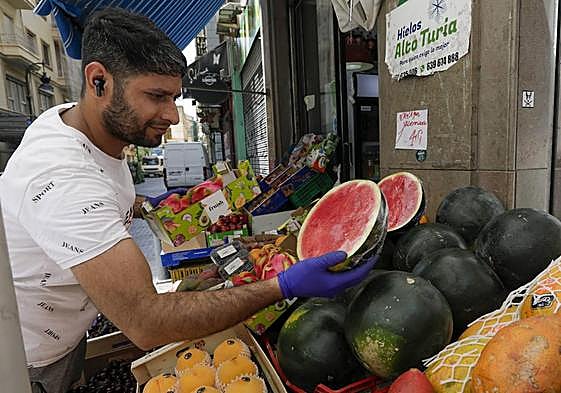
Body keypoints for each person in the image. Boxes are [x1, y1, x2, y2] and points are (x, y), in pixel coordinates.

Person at [0, 8, 376, 393]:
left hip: (68, 331)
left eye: (174, 97)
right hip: (31, 360)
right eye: (156, 96)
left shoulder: (82, 130)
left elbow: (91, 202)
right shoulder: (62, 176)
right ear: (99, 81)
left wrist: (146, 206)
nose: (170, 115)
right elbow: (146, 322)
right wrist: (281, 286)